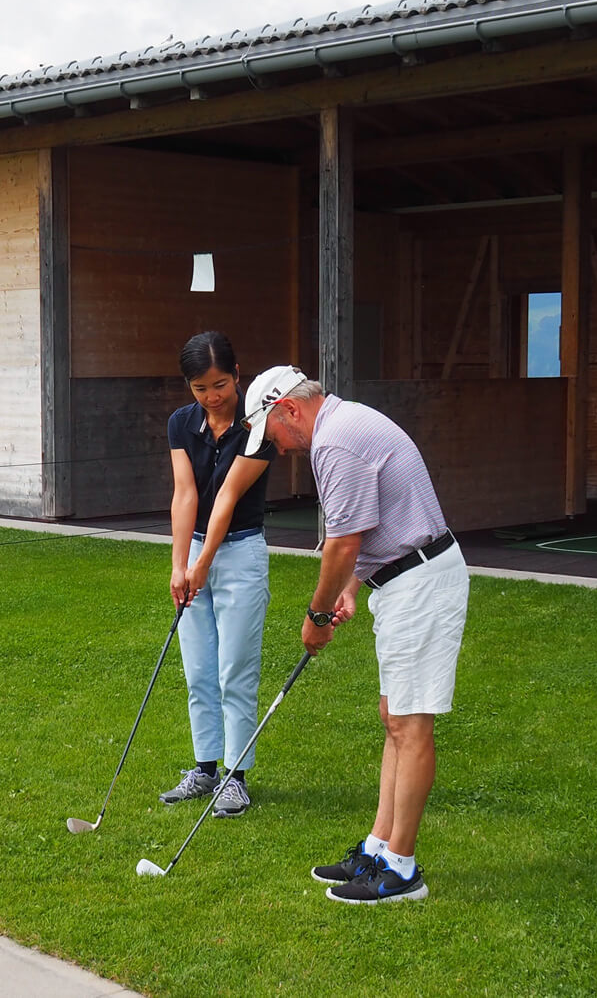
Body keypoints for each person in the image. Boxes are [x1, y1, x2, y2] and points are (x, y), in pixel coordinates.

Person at [241, 364, 468, 904]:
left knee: (410, 726)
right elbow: (355, 535)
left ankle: (402, 871)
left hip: (420, 583)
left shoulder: (337, 442)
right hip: (401, 578)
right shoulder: (342, 428)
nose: (277, 445)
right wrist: (349, 584)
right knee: (395, 719)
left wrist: (317, 617)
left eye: (272, 432)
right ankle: (379, 847)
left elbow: (344, 543)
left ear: (288, 408)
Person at [160, 331, 275, 819]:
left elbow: (226, 497)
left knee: (235, 671)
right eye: (200, 388)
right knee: (199, 670)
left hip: (240, 555)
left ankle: (236, 777)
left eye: (220, 385)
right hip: (195, 556)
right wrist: (178, 565)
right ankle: (205, 769)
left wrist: (202, 564)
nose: (211, 397)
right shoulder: (181, 425)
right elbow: (186, 494)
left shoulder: (259, 427)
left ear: (237, 376)